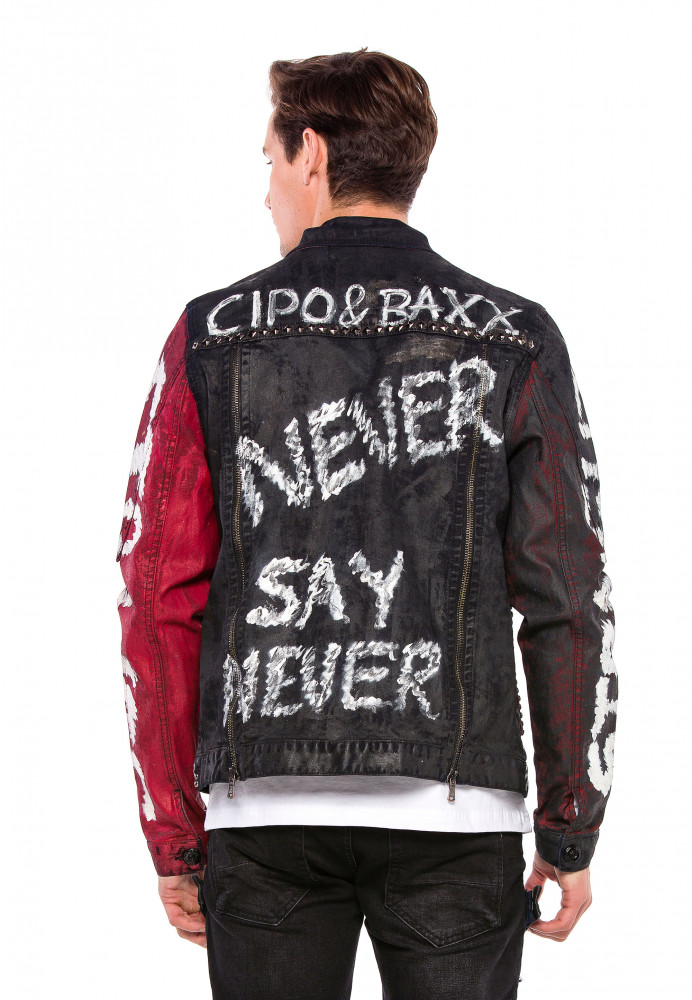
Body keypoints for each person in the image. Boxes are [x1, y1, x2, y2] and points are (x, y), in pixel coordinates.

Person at [116, 48, 617, 999]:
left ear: (311, 153)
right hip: (457, 818)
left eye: (269, 161)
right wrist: (570, 821)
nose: (266, 190)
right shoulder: (514, 337)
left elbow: (155, 596)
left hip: (264, 819)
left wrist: (176, 832)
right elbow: (569, 597)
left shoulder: (211, 336)